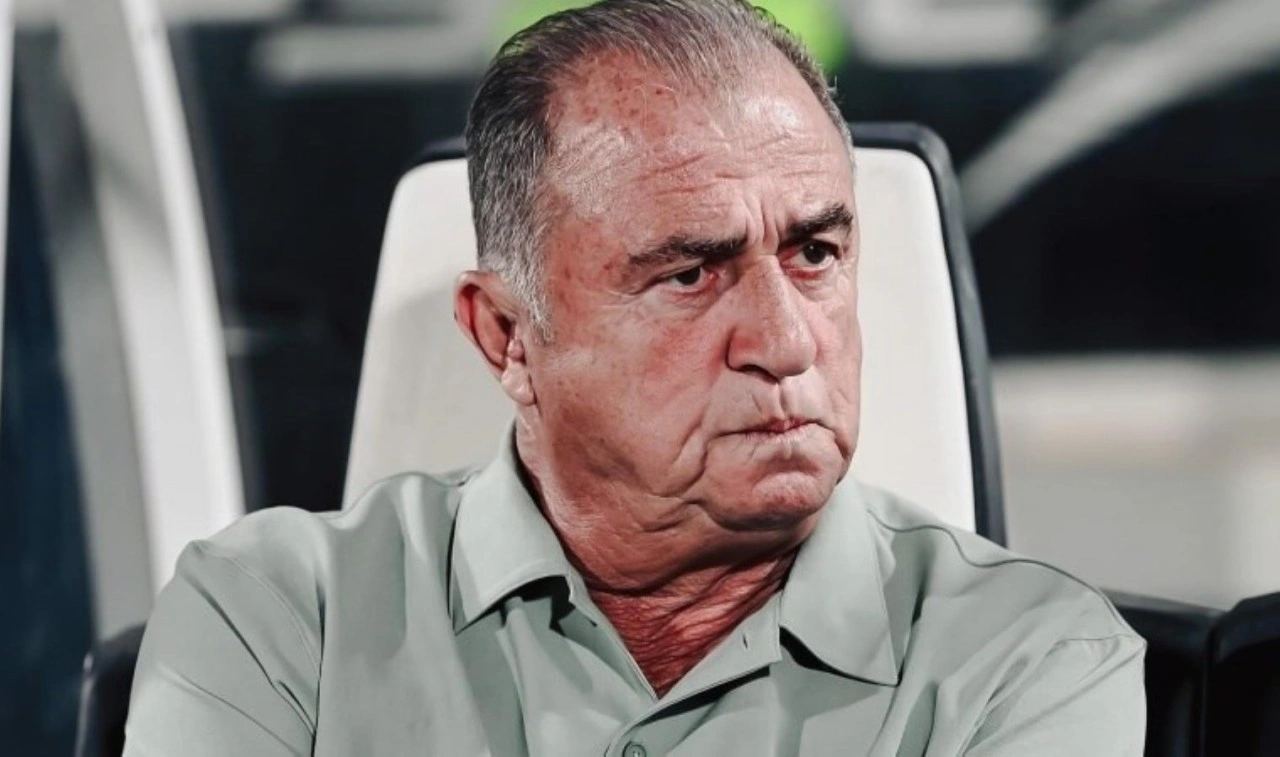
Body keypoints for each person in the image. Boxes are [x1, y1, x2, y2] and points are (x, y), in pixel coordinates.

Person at [123, 1, 1146, 755]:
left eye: (815, 254)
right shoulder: (275, 621)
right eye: (690, 274)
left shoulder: (1026, 661)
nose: (786, 341)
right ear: (507, 337)